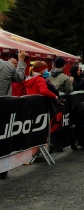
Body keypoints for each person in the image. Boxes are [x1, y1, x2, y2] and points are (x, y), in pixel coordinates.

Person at [0, 51, 26, 179]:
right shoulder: (8, 66)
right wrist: (21, 61)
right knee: (4, 138)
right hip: (4, 107)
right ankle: (3, 170)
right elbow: (20, 77)